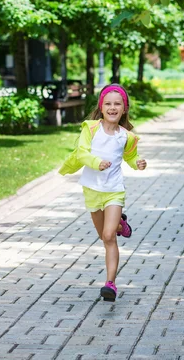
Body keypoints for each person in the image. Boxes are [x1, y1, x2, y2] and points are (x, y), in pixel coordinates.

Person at [59, 83, 147, 302]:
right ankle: (121, 225)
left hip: (114, 191)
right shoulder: (90, 129)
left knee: (109, 237)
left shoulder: (126, 136)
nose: (112, 107)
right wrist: (96, 162)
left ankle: (110, 284)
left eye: (117, 104)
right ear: (101, 106)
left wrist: (138, 163)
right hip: (92, 190)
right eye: (108, 103)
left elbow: (129, 157)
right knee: (103, 234)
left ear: (124, 108)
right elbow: (82, 153)